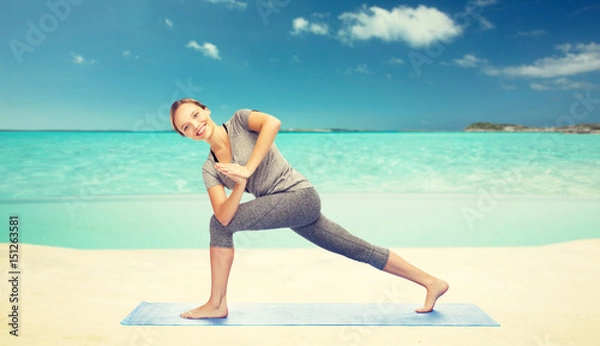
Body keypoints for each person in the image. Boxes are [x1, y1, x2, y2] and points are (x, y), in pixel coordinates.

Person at [169, 98, 449, 319]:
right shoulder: (210, 170)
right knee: (356, 248)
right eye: (185, 127)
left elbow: (273, 123)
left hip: (299, 197)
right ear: (186, 136)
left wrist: (247, 169)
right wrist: (240, 184)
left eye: (195, 115)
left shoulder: (241, 120)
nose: (194, 125)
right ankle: (431, 282)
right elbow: (225, 214)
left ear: (206, 110)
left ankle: (217, 303)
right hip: (288, 209)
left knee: (217, 227)